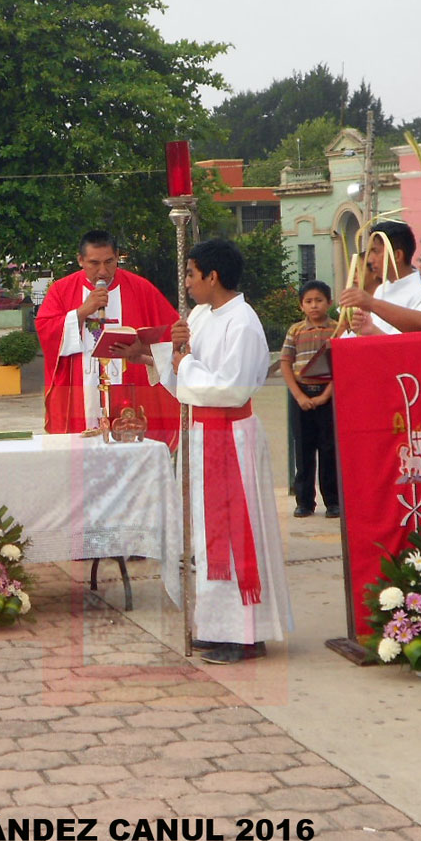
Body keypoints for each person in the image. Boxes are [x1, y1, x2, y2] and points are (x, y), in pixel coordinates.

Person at [145, 238, 292, 665]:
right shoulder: (200, 315)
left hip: (230, 435)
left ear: (213, 276)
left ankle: (244, 633)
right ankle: (215, 626)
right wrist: (168, 353)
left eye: (191, 274)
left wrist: (184, 363)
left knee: (233, 536)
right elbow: (183, 374)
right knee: (207, 539)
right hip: (201, 434)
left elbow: (231, 388)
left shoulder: (242, 322)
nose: (187, 283)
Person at [34, 230, 180, 448]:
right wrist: (82, 312)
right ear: (80, 260)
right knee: (82, 454)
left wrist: (143, 348)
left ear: (117, 256)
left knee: (130, 449)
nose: (103, 271)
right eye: (94, 263)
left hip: (131, 389)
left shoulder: (141, 288)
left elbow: (173, 335)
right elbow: (46, 330)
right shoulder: (62, 290)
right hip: (83, 389)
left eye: (109, 262)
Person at [280, 280, 338, 518]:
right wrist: (299, 395)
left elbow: (341, 365)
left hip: (328, 395)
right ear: (301, 305)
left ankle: (333, 501)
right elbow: (285, 363)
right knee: (303, 450)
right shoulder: (295, 331)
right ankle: (304, 501)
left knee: (329, 449)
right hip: (301, 395)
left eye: (319, 300)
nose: (314, 306)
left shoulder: (336, 329)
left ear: (329, 302)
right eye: (309, 301)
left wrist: (325, 395)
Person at [359, 220, 421, 335]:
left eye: (375, 251)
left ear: (397, 255)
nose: (369, 260)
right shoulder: (381, 289)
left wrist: (370, 330)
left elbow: (404, 341)